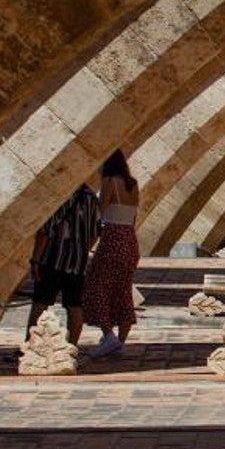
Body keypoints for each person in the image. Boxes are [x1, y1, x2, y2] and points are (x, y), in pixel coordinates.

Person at [82, 150, 142, 359]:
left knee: (95, 285)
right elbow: (133, 216)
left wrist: (89, 239)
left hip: (113, 237)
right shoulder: (132, 184)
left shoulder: (110, 181)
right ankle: (120, 342)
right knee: (123, 290)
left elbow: (100, 211)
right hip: (130, 239)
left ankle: (108, 336)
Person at [26, 183, 101, 346]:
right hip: (77, 262)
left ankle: (29, 345)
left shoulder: (61, 194)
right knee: (75, 305)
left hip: (53, 258)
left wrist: (35, 260)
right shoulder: (92, 198)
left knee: (40, 302)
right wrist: (81, 249)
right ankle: (71, 347)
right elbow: (96, 232)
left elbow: (46, 230)